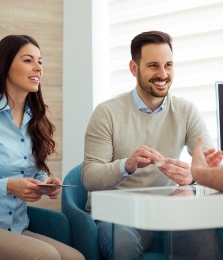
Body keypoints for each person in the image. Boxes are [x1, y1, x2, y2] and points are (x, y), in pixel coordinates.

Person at [82, 31, 220, 259]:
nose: (163, 74)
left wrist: (194, 177)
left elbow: (211, 164)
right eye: (153, 66)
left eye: (168, 65)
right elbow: (90, 177)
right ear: (134, 68)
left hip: (164, 215)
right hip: (119, 217)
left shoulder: (186, 111)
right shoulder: (107, 113)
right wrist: (127, 165)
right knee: (124, 244)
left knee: (211, 235)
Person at [0, 35, 85, 260]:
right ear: (5, 65)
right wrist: (8, 186)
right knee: (46, 256)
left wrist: (44, 181)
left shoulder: (36, 119)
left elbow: (33, 171)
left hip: (16, 226)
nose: (38, 67)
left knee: (75, 257)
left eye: (40, 61)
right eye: (28, 60)